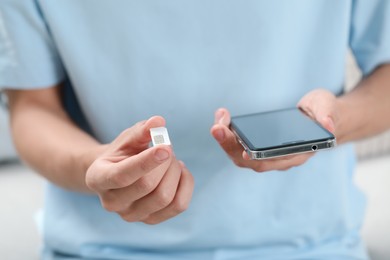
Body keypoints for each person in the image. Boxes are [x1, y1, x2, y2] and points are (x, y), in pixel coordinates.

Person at [1, 1, 390, 259]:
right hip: (101, 248)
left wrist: (332, 121)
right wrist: (98, 168)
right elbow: (33, 106)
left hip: (310, 244)